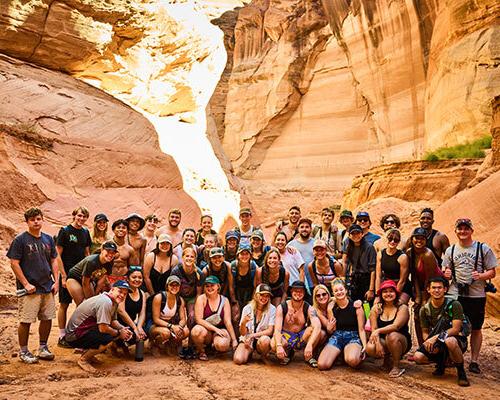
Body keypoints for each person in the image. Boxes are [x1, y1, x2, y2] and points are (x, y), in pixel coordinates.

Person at [443, 218, 497, 374]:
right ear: (456, 231)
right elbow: (445, 271)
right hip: (456, 294)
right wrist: (446, 274)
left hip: (476, 295)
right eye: (460, 229)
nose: (463, 231)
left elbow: (492, 271)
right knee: (454, 326)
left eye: (466, 229)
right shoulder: (450, 250)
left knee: (476, 327)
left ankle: (474, 361)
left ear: (472, 231)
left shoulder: (482, 248)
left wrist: (480, 276)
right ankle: (453, 357)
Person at [7, 207, 59, 364]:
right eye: (32, 220)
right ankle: (23, 351)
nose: (36, 222)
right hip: (30, 288)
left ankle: (42, 347)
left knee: (47, 317)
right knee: (26, 319)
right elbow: (14, 263)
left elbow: (54, 259)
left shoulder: (48, 239)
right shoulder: (20, 240)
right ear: (27, 222)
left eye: (38, 219)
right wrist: (25, 283)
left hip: (47, 285)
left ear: (42, 219)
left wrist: (56, 281)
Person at [63, 280, 134, 374]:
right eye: (120, 291)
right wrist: (119, 333)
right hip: (74, 336)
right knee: (108, 338)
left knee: (111, 334)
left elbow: (113, 321)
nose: (122, 295)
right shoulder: (106, 302)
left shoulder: (113, 301)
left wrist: (122, 328)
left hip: (81, 331)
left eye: (125, 294)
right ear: (112, 289)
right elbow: (103, 328)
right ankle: (84, 360)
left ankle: (90, 355)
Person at [414, 277, 470, 387]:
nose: (436, 290)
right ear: (428, 290)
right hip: (438, 340)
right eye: (433, 288)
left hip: (455, 338)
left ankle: (461, 371)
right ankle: (441, 363)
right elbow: (425, 332)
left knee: (450, 341)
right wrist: (429, 343)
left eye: (439, 287)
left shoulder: (454, 305)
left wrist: (434, 339)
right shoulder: (424, 310)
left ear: (445, 289)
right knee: (418, 357)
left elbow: (455, 329)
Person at [56, 206, 91, 346]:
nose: (81, 219)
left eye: (84, 217)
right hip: (67, 272)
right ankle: (62, 335)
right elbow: (57, 254)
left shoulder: (85, 232)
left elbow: (87, 253)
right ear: (74, 215)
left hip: (80, 274)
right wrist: (63, 276)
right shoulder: (65, 231)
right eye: (79, 216)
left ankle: (77, 334)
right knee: (64, 304)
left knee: (81, 305)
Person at [317, 278, 367, 370]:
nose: (339, 292)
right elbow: (332, 330)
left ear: (346, 290)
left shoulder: (356, 306)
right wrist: (329, 314)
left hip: (353, 336)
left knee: (352, 360)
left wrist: (365, 346)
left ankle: (349, 353)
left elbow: (361, 329)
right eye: (336, 291)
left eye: (341, 289)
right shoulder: (331, 307)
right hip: (337, 336)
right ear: (333, 293)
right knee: (322, 365)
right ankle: (340, 353)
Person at [366, 280, 411, 377]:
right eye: (385, 292)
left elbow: (396, 326)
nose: (388, 294)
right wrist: (377, 343)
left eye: (391, 291)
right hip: (383, 340)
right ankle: (387, 360)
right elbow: (374, 329)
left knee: (392, 335)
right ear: (381, 294)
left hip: (401, 341)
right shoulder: (376, 308)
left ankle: (396, 366)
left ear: (396, 293)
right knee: (370, 347)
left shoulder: (402, 308)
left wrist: (378, 331)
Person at [407, 227, 443, 345]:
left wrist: (424, 298)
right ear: (412, 239)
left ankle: (434, 346)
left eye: (422, 238)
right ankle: (422, 346)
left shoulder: (428, 254)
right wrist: (417, 296)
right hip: (422, 286)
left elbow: (430, 279)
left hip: (434, 286)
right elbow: (414, 276)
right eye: (417, 238)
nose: (419, 241)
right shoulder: (409, 252)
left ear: (426, 240)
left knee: (427, 313)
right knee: (417, 314)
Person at [272, 281, 321, 367]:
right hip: (286, 336)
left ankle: (309, 356)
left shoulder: (308, 308)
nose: (298, 293)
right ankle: (288, 352)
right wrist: (279, 345)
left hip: (300, 337)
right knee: (273, 344)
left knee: (314, 330)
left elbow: (317, 326)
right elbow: (277, 329)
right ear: (291, 291)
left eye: (301, 291)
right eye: (295, 290)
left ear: (304, 293)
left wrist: (310, 345)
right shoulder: (282, 307)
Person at [191, 276, 238, 360]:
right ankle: (201, 351)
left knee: (222, 345)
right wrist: (215, 329)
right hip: (206, 331)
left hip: (220, 329)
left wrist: (234, 339)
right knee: (196, 331)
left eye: (212, 285)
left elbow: (227, 322)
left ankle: (213, 348)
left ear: (218, 286)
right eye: (207, 286)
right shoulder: (201, 299)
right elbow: (198, 320)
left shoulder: (224, 300)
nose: (210, 288)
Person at [147, 275, 190, 358]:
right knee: (166, 333)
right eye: (172, 285)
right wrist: (172, 326)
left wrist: (179, 327)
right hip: (155, 325)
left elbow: (183, 319)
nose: (174, 287)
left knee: (186, 331)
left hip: (170, 325)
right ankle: (155, 345)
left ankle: (170, 345)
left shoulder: (180, 300)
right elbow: (156, 319)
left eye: (176, 285)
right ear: (167, 286)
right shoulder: (159, 297)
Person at [233, 284, 276, 365]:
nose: (264, 298)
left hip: (261, 339)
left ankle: (263, 355)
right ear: (256, 295)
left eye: (267, 296)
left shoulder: (272, 309)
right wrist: (243, 323)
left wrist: (251, 335)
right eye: (262, 295)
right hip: (247, 340)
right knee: (238, 360)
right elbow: (242, 333)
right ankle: (249, 352)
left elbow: (270, 331)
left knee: (265, 340)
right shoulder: (247, 308)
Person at [66, 241, 118, 305]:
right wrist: (91, 301)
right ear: (102, 250)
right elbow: (85, 283)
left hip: (89, 280)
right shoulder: (91, 261)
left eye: (113, 253)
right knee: (83, 304)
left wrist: (95, 296)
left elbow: (102, 281)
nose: (110, 254)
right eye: (108, 251)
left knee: (92, 303)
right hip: (75, 278)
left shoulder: (110, 262)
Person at [113, 266, 148, 356]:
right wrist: (135, 328)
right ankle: (113, 344)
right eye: (134, 277)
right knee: (133, 332)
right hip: (117, 323)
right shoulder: (124, 291)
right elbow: (121, 311)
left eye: (140, 277)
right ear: (128, 279)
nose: (137, 280)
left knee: (144, 333)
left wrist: (139, 327)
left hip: (130, 324)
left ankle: (124, 345)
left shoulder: (142, 293)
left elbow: (142, 313)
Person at [342, 224, 377, 303]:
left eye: (358, 233)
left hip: (366, 279)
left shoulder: (369, 247)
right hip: (354, 279)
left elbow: (373, 269)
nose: (355, 235)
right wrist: (343, 279)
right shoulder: (349, 246)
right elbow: (345, 262)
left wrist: (371, 289)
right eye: (353, 234)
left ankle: (367, 315)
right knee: (355, 304)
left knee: (366, 305)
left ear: (362, 234)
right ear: (349, 235)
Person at [375, 229, 411, 304]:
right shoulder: (380, 254)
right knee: (376, 303)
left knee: (399, 304)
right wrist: (378, 294)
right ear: (386, 239)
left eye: (396, 240)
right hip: (387, 284)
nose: (392, 242)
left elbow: (402, 280)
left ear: (398, 242)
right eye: (390, 239)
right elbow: (378, 276)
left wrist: (396, 296)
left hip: (400, 286)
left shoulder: (402, 257)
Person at [169, 247, 202, 328]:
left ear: (195, 259)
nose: (189, 258)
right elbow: (171, 289)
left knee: (192, 317)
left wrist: (195, 307)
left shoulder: (198, 272)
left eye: (192, 256)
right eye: (187, 256)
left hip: (192, 298)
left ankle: (192, 338)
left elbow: (199, 293)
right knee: (176, 317)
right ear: (182, 257)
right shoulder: (176, 271)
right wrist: (179, 301)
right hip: (179, 296)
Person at [229, 244, 258, 324]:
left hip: (249, 294)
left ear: (250, 255)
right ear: (238, 255)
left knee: (248, 316)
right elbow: (231, 286)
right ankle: (235, 336)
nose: (244, 256)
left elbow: (255, 286)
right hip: (236, 293)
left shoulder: (254, 267)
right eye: (242, 254)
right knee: (235, 316)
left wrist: (252, 302)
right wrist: (234, 302)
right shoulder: (233, 266)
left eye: (246, 254)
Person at [289, 218, 315, 292]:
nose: (304, 229)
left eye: (307, 227)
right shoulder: (291, 245)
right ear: (298, 229)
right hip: (296, 283)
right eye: (302, 227)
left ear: (311, 229)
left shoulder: (316, 243)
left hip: (314, 282)